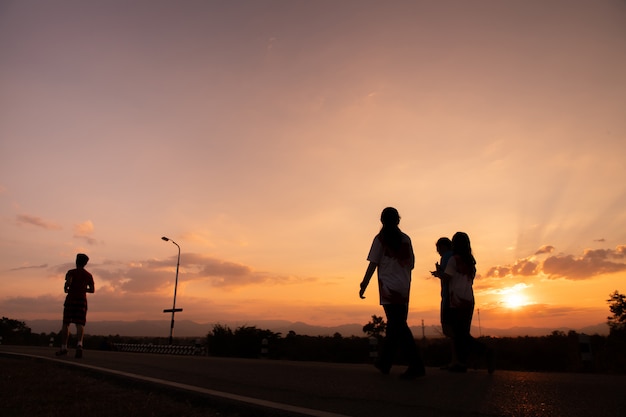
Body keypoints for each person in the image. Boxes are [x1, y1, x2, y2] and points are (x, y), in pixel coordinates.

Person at [359, 207, 425, 379]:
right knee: (395, 325)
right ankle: (385, 363)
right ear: (398, 220)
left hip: (388, 289)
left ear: (382, 221)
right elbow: (411, 264)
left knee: (399, 326)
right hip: (403, 288)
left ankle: (416, 365)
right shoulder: (406, 239)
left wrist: (363, 284)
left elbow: (373, 264)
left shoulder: (380, 239)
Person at [443, 232, 494, 373]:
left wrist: (439, 274)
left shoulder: (454, 260)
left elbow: (447, 277)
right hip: (469, 300)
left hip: (456, 300)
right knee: (463, 332)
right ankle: (462, 363)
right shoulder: (470, 262)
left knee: (459, 334)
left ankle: (484, 350)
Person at [56, 253, 95, 358]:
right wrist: (83, 289)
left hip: (71, 299)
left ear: (76, 261)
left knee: (66, 323)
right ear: (85, 263)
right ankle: (79, 345)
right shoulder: (88, 275)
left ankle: (64, 347)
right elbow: (92, 290)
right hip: (82, 301)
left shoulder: (71, 272)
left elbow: (68, 283)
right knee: (80, 324)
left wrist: (67, 287)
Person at [430, 237, 457, 368]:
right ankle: (458, 359)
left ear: (444, 246)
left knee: (448, 329)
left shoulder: (447, 257)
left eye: (438, 248)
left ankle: (456, 359)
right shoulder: (457, 257)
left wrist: (438, 273)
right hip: (457, 297)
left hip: (448, 297)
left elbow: (446, 277)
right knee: (454, 330)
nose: (438, 251)